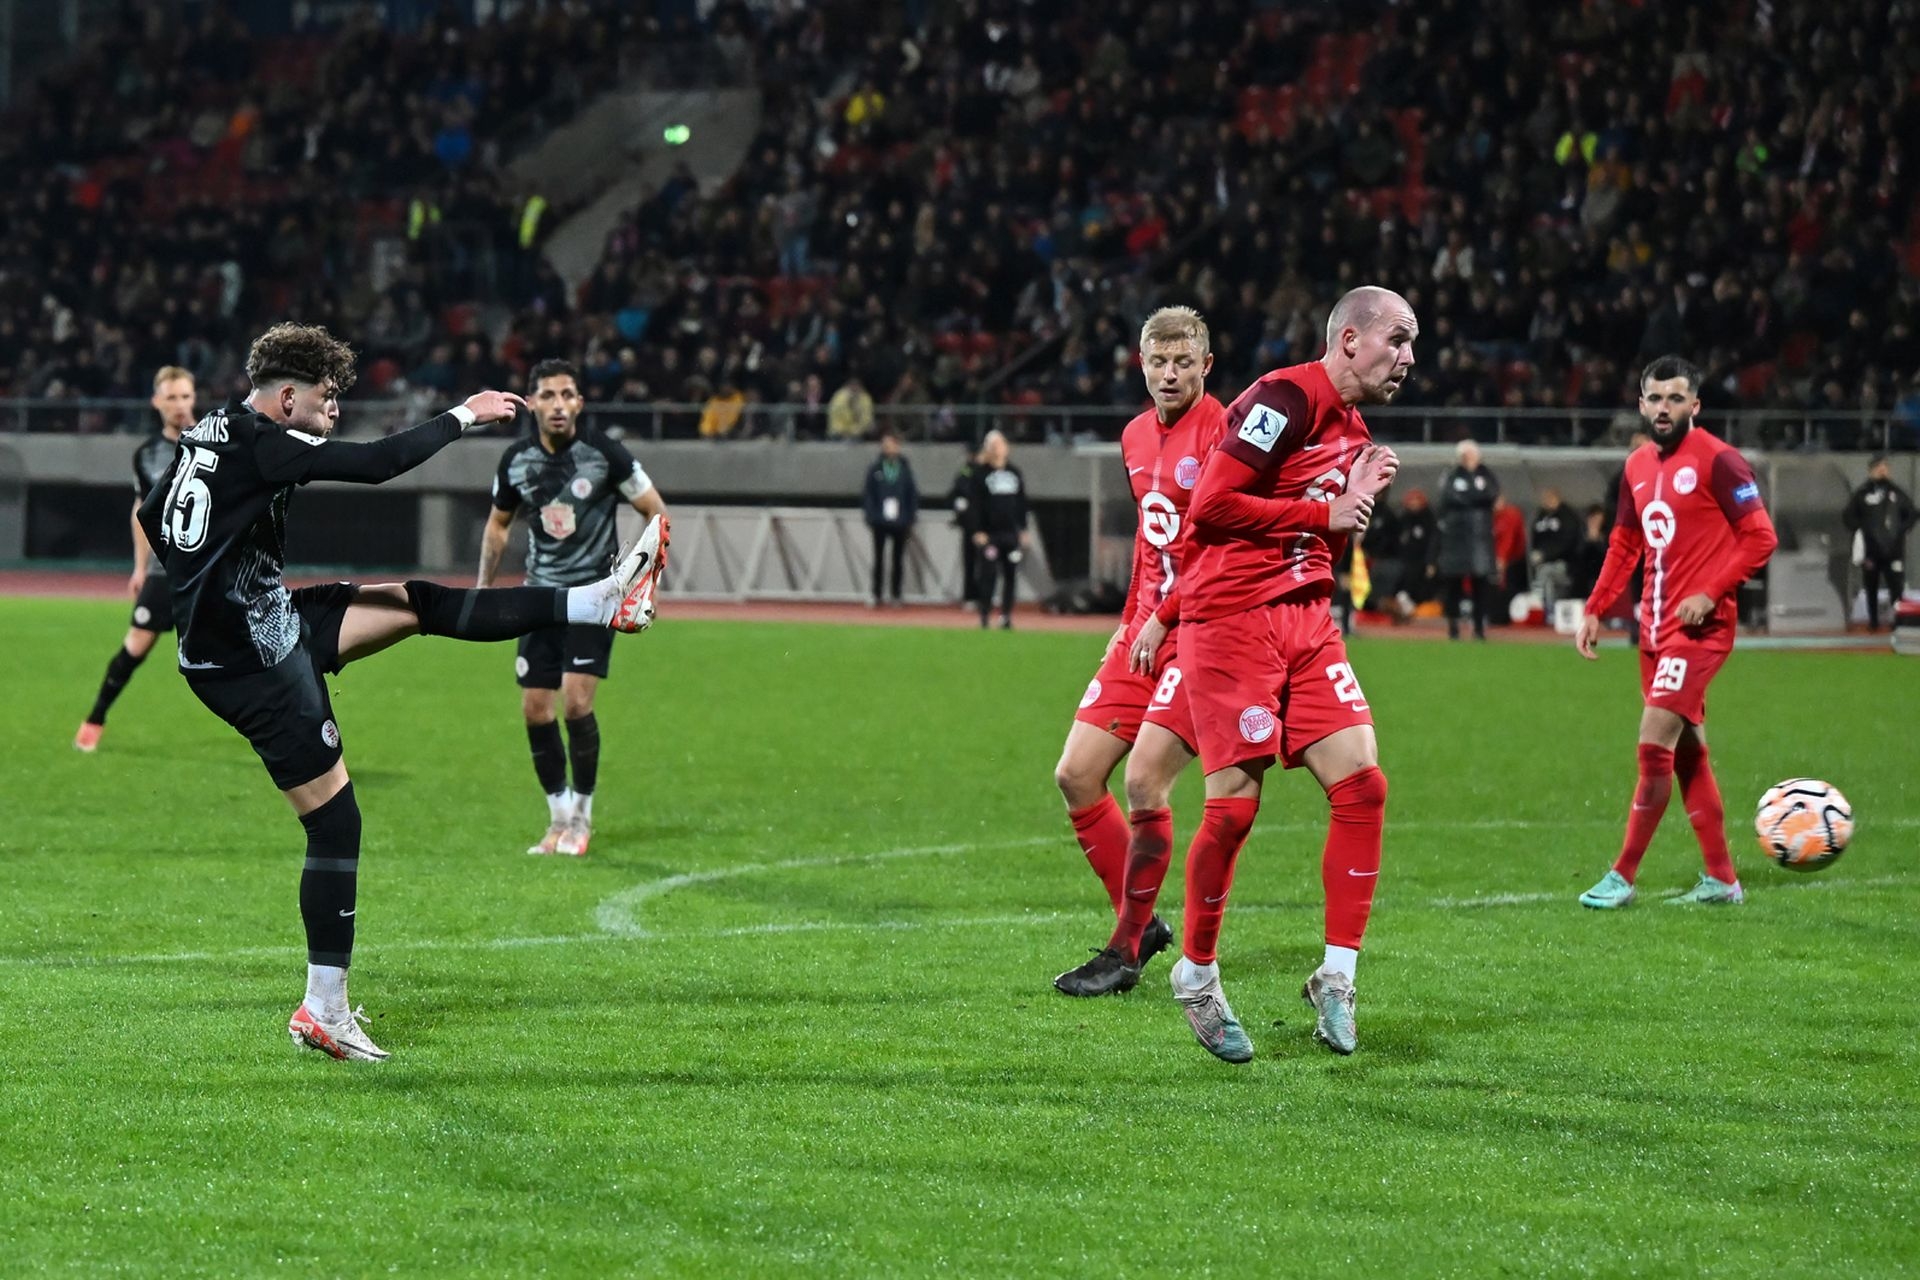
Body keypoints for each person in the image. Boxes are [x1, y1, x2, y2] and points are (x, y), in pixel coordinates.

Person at [137, 323, 663, 1062]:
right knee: (336, 824)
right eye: (325, 398)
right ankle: (324, 1011)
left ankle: (599, 601)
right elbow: (378, 464)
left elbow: (153, 515)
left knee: (415, 602)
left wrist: (211, 585)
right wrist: (465, 415)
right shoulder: (267, 441)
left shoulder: (214, 427)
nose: (334, 410)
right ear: (287, 399)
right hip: (252, 662)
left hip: (260, 624)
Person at [1149, 285, 1410, 1064]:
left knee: (1363, 784)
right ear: (1351, 339)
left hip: (1307, 622)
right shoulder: (1285, 398)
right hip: (1232, 621)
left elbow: (1315, 535)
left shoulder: (1353, 430)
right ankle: (1196, 974)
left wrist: (1352, 504)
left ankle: (1337, 976)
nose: (1408, 357)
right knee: (1233, 807)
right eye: (1398, 339)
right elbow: (1211, 505)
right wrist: (1326, 512)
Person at [1050, 306, 1227, 997]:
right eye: (1159, 362)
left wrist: (1164, 618)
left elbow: (1219, 549)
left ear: (1205, 366)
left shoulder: (1224, 433)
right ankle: (1144, 922)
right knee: (1075, 774)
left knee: (1145, 782)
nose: (1170, 374)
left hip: (1204, 631)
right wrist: (1131, 620)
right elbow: (1152, 544)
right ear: (1142, 365)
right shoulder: (1132, 435)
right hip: (1146, 629)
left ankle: (1123, 951)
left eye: (1183, 362)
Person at [1575, 355, 1778, 909]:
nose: (1664, 408)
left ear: (1695, 405)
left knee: (1652, 745)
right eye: (1655, 398)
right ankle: (1723, 880)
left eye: (1675, 398)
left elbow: (1760, 537)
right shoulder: (1636, 465)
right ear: (1641, 405)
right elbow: (1625, 544)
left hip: (1700, 630)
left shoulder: (1720, 461)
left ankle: (1622, 876)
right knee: (1689, 754)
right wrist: (1595, 607)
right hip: (1653, 631)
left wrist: (1710, 592)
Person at [480, 358, 671, 857]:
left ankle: (582, 819)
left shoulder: (605, 454)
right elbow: (498, 524)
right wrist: (482, 590)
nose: (559, 404)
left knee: (577, 704)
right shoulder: (515, 461)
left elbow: (655, 511)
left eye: (567, 395)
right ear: (531, 403)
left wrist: (641, 583)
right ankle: (558, 819)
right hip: (539, 597)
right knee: (534, 709)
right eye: (548, 395)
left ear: (580, 403)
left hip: (594, 597)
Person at [74, 366, 197, 751]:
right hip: (164, 570)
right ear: (157, 401)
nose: (180, 404)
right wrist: (140, 568)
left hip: (208, 572)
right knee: (135, 646)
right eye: (172, 397)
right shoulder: (147, 455)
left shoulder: (216, 444)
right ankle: (95, 719)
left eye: (185, 396)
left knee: (232, 656)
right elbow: (141, 512)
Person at [1842, 455, 1916, 629]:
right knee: (1871, 586)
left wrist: (1901, 530)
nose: (1882, 471)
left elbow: (1912, 513)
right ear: (1871, 471)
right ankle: (1873, 621)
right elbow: (1848, 516)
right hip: (1871, 550)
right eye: (1879, 468)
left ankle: (1898, 621)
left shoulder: (1897, 493)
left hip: (1894, 549)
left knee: (1896, 587)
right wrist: (1861, 530)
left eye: (1885, 468)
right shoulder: (1862, 494)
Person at [1436, 438, 1498, 640]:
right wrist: (1476, 498)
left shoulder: (1486, 474)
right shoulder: (1452, 475)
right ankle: (1453, 627)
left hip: (1480, 540)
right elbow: (1449, 497)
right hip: (1456, 539)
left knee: (1481, 585)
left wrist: (1469, 498)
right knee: (1453, 586)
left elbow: (1491, 494)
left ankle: (1479, 628)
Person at [966, 430, 1029, 629]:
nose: (997, 449)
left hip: (1010, 534)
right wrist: (977, 530)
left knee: (1010, 575)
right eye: (993, 446)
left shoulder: (1015, 473)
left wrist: (1023, 529)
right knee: (988, 574)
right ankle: (984, 614)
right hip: (989, 535)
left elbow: (1021, 503)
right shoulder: (980, 474)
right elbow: (974, 505)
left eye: (1000, 445)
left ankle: (1006, 615)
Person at [862, 430, 919, 607]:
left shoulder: (905, 469)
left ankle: (896, 594)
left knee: (898, 559)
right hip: (880, 520)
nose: (888, 448)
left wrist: (910, 516)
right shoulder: (876, 468)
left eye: (891, 444)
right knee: (878, 558)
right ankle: (876, 593)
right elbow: (868, 493)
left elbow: (912, 494)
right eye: (885, 444)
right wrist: (871, 515)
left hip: (900, 520)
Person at [1529, 487, 1582, 615]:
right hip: (1542, 563)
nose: (1546, 502)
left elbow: (1568, 542)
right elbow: (1535, 538)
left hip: (1564, 564)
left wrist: (1545, 555)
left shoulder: (1567, 516)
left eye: (1549, 498)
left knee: (1546, 572)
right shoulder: (1541, 516)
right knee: (1544, 575)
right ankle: (1542, 610)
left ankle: (1541, 607)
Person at [948, 445, 983, 608]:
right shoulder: (965, 472)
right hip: (970, 524)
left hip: (986, 524)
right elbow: (956, 494)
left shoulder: (987, 472)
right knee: (970, 561)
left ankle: (983, 595)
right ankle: (970, 595)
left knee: (985, 562)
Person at [1398, 487, 1440, 606]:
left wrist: (1431, 561)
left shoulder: (1429, 519)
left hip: (1423, 560)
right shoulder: (1404, 519)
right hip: (1406, 561)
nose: (1414, 505)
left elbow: (1433, 542)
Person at [1492, 494, 1527, 621]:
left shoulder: (1511, 515)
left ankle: (1505, 615)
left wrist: (1501, 559)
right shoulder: (1489, 516)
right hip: (1496, 557)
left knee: (1508, 585)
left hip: (1515, 559)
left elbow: (1509, 540)